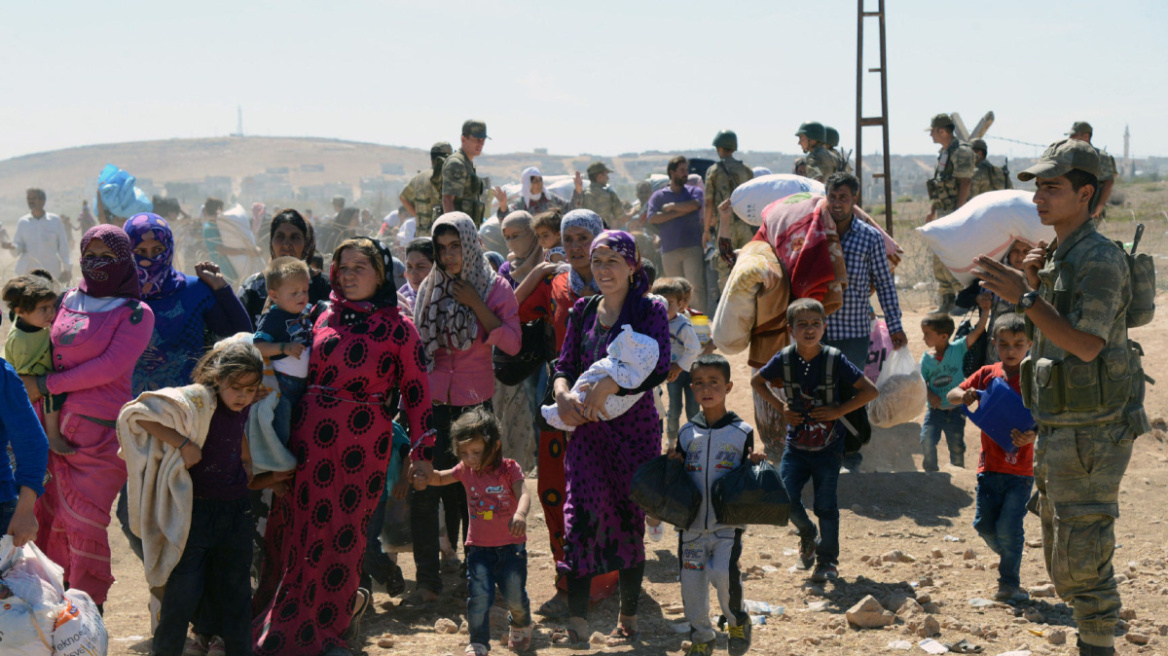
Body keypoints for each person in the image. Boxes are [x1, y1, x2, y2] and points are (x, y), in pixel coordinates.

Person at [973, 139, 1146, 656]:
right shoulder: (1057, 257)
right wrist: (1033, 284)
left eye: (1052, 187)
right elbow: (1054, 327)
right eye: (1038, 187)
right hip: (1063, 424)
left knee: (1083, 551)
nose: (1040, 198)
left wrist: (1023, 297)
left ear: (1085, 193)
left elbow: (1087, 346)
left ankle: (1097, 645)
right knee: (1062, 553)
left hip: (1094, 429)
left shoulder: (1099, 260)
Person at [253, 237, 435, 656]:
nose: (349, 275)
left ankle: (329, 628)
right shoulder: (317, 316)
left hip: (361, 446)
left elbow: (418, 393)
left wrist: (421, 454)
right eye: (343, 267)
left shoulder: (397, 327)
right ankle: (284, 620)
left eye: (360, 267)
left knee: (343, 537)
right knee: (297, 531)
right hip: (307, 440)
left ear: (379, 273)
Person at [549, 230, 670, 647]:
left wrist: (614, 386)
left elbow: (660, 366)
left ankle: (629, 613)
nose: (603, 270)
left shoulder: (650, 309)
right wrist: (563, 394)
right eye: (597, 262)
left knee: (627, 517)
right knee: (579, 517)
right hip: (586, 432)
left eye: (612, 261)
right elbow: (563, 364)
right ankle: (578, 621)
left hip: (633, 434)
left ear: (632, 265)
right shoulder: (583, 311)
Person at [29, 225, 155, 610]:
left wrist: (47, 384)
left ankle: (87, 612)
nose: (96, 264)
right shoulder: (68, 298)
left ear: (123, 261)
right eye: (90, 255)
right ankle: (50, 617)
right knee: (47, 522)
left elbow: (110, 367)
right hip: (48, 427)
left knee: (86, 524)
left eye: (106, 256)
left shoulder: (136, 313)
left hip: (97, 437)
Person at [406, 212, 521, 607]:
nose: (449, 256)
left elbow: (511, 343)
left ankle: (483, 580)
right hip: (433, 404)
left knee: (478, 494)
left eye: (456, 246)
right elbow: (419, 343)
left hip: (474, 404)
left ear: (470, 244)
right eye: (442, 248)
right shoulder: (430, 289)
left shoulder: (494, 287)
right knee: (424, 488)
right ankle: (427, 580)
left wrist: (474, 303)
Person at [137, 341, 263, 656]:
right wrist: (183, 444)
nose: (243, 396)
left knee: (236, 593)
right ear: (216, 378)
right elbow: (138, 416)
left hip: (236, 511)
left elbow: (238, 431)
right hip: (196, 512)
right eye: (235, 388)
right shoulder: (197, 400)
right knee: (182, 593)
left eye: (250, 390)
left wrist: (246, 461)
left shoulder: (242, 402)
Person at [751, 299, 878, 583]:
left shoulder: (834, 359)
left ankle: (827, 561)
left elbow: (870, 391)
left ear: (824, 327)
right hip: (795, 446)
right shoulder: (784, 359)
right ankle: (808, 534)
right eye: (802, 324)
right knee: (784, 498)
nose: (809, 329)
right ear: (790, 330)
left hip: (829, 448)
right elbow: (757, 382)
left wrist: (837, 411)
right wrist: (780, 406)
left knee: (826, 506)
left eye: (815, 324)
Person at [535, 209, 619, 616]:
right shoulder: (556, 283)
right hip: (560, 397)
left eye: (583, 238)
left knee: (600, 491)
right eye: (568, 239)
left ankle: (605, 581)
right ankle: (567, 580)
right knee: (554, 489)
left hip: (611, 405)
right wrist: (535, 275)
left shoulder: (623, 285)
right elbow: (508, 314)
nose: (575, 247)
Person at [414, 408, 533, 656]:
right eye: (464, 452)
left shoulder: (509, 469)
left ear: (495, 445)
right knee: (478, 598)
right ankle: (478, 642)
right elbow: (440, 478)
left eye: (476, 452)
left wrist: (520, 514)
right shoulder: (465, 471)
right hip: (478, 549)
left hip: (511, 549)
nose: (469, 458)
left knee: (515, 598)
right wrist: (426, 477)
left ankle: (521, 624)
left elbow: (523, 493)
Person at [671, 354, 761, 656]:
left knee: (723, 575)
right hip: (692, 528)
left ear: (728, 386)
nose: (706, 389)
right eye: (698, 383)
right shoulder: (685, 433)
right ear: (691, 388)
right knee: (691, 585)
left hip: (727, 526)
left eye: (714, 383)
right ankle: (702, 636)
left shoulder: (742, 432)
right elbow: (678, 477)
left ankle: (736, 621)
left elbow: (747, 477)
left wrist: (755, 465)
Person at [948, 314, 1036, 604]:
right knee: (984, 526)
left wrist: (1033, 435)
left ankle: (1009, 582)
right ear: (994, 344)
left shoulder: (1035, 377)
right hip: (989, 467)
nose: (1011, 350)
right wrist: (966, 394)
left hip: (1021, 471)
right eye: (1004, 344)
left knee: (1011, 527)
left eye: (1018, 344)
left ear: (1030, 344)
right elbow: (951, 394)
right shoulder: (987, 373)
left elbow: (1050, 417)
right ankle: (1011, 553)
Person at [821, 172, 906, 471]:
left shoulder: (869, 237)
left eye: (843, 197)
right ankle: (825, 454)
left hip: (854, 330)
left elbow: (884, 283)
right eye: (832, 197)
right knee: (819, 390)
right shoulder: (815, 233)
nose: (837, 203)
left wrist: (895, 326)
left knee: (850, 392)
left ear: (854, 199)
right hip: (817, 332)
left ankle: (852, 452)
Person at [3, 273, 70, 455]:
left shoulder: (31, 322)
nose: (51, 313)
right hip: (23, 385)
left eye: (52, 307)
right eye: (43, 309)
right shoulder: (22, 340)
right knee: (51, 392)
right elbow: (27, 378)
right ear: (20, 312)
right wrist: (49, 377)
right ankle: (53, 437)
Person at [919, 301, 989, 471]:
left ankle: (958, 470)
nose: (924, 338)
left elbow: (978, 331)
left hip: (956, 410)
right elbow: (921, 381)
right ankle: (931, 471)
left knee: (956, 444)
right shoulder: (926, 359)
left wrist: (986, 310)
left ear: (943, 336)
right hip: (935, 410)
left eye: (928, 334)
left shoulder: (958, 349)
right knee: (926, 439)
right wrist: (930, 395)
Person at [252, 257, 313, 447]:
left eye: (304, 291)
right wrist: (284, 348)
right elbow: (258, 346)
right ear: (275, 295)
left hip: (304, 385)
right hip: (282, 385)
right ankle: (279, 465)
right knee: (282, 429)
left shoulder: (303, 313)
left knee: (301, 428)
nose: (301, 296)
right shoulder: (273, 317)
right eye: (294, 292)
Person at [238, 209, 332, 327]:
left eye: (295, 237)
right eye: (280, 236)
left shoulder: (325, 287)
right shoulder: (253, 287)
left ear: (306, 244)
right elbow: (240, 335)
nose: (286, 244)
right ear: (271, 242)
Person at [925, 113, 976, 314]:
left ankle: (961, 302)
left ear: (942, 131)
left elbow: (965, 182)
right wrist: (932, 210)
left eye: (932, 131)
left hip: (957, 213)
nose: (931, 135)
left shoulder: (960, 152)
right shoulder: (944, 153)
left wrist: (959, 212)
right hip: (945, 211)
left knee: (957, 255)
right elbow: (939, 185)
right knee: (940, 255)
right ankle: (946, 300)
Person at [646, 156, 707, 312]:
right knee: (674, 290)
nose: (685, 174)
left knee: (695, 288)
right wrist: (679, 212)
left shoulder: (694, 191)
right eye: (682, 170)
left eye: (686, 170)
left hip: (692, 247)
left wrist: (672, 207)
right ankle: (678, 322)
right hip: (669, 250)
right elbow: (652, 217)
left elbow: (695, 205)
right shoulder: (659, 196)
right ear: (672, 173)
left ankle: (699, 324)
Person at [704, 130, 755, 292]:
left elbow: (708, 204)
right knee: (749, 263)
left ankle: (727, 301)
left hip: (725, 225)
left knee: (725, 265)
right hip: (746, 223)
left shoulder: (713, 171)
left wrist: (706, 230)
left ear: (719, 148)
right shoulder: (746, 170)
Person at [652, 277, 700, 444]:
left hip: (690, 373)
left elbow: (694, 348)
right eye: (660, 302)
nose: (664, 307)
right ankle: (672, 441)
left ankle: (694, 441)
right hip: (672, 375)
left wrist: (678, 367)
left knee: (693, 409)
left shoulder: (683, 324)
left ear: (680, 303)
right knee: (674, 409)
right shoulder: (656, 322)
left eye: (669, 303)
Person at [8, 188, 73, 282]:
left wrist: (67, 269)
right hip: (27, 273)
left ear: (43, 201)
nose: (30, 201)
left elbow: (63, 247)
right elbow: (18, 247)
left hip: (50, 273)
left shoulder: (54, 221)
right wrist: (12, 247)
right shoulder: (23, 222)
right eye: (29, 199)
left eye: (34, 198)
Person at [401, 142, 454, 237]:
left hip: (421, 234)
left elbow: (403, 198)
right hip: (439, 236)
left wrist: (418, 217)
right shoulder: (445, 177)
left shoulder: (419, 177)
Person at [1067, 121, 1117, 219]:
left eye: (1074, 135)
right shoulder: (1069, 156)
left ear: (1086, 136)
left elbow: (1108, 182)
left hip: (1090, 209)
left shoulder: (1099, 157)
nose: (1070, 138)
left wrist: (1098, 208)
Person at [442, 120, 489, 225]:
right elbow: (447, 200)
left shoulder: (468, 164)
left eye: (483, 140)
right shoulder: (457, 164)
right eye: (477, 140)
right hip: (459, 228)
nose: (480, 144)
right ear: (464, 139)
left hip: (468, 227)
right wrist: (455, 229)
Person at [494, 167, 581, 220]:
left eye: (540, 180)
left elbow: (570, 209)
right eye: (535, 181)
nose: (540, 183)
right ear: (528, 184)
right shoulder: (521, 204)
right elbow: (508, 221)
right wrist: (503, 206)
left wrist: (578, 190)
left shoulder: (550, 198)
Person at [578, 162, 625, 229]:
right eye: (606, 175)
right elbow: (622, 217)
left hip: (587, 233)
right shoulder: (609, 193)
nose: (608, 178)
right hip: (604, 232)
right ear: (600, 177)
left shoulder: (582, 194)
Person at [398, 237, 435, 317]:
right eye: (409, 266)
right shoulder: (401, 300)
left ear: (436, 268)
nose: (413, 273)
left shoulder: (449, 301)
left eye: (421, 267)